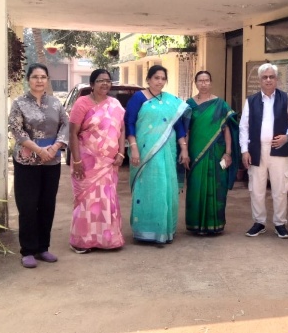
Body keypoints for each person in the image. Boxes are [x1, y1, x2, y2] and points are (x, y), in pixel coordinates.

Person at [8, 63, 69, 268]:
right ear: (28, 80)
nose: (39, 80)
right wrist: (38, 150)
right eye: (35, 77)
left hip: (51, 160)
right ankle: (28, 250)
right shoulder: (19, 103)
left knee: (47, 205)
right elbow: (16, 130)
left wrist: (55, 147)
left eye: (43, 77)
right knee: (27, 206)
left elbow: (66, 125)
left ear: (47, 80)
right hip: (27, 161)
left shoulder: (55, 103)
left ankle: (43, 248)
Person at [124, 65, 190, 244]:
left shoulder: (170, 101)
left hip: (167, 150)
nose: (160, 81)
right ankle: (145, 230)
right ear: (148, 79)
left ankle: (164, 230)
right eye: (156, 78)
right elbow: (129, 122)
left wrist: (184, 148)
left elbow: (178, 125)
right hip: (145, 151)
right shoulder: (138, 98)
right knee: (148, 188)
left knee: (165, 188)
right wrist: (134, 147)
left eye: (163, 78)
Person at [239, 63, 288, 239]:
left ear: (276, 79)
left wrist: (287, 136)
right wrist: (244, 150)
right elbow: (244, 127)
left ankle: (280, 223)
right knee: (256, 188)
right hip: (256, 150)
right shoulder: (251, 100)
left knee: (280, 188)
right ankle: (259, 222)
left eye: (271, 77)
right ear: (260, 80)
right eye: (265, 77)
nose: (268, 80)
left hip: (279, 149)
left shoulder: (286, 98)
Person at [68, 69, 126, 254]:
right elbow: (73, 133)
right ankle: (82, 241)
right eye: (100, 80)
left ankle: (108, 239)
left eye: (108, 80)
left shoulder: (115, 104)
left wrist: (121, 152)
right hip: (87, 162)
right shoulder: (82, 103)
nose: (105, 84)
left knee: (107, 200)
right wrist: (77, 161)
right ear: (92, 84)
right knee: (87, 201)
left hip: (108, 163)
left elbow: (121, 129)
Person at [185, 71, 240, 235]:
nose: (203, 83)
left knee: (217, 187)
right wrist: (185, 151)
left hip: (217, 153)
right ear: (195, 83)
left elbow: (226, 130)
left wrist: (228, 153)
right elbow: (186, 130)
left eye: (206, 80)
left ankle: (214, 224)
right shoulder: (189, 104)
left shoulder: (220, 104)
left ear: (211, 82)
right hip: (195, 153)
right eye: (200, 80)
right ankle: (195, 224)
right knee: (196, 187)